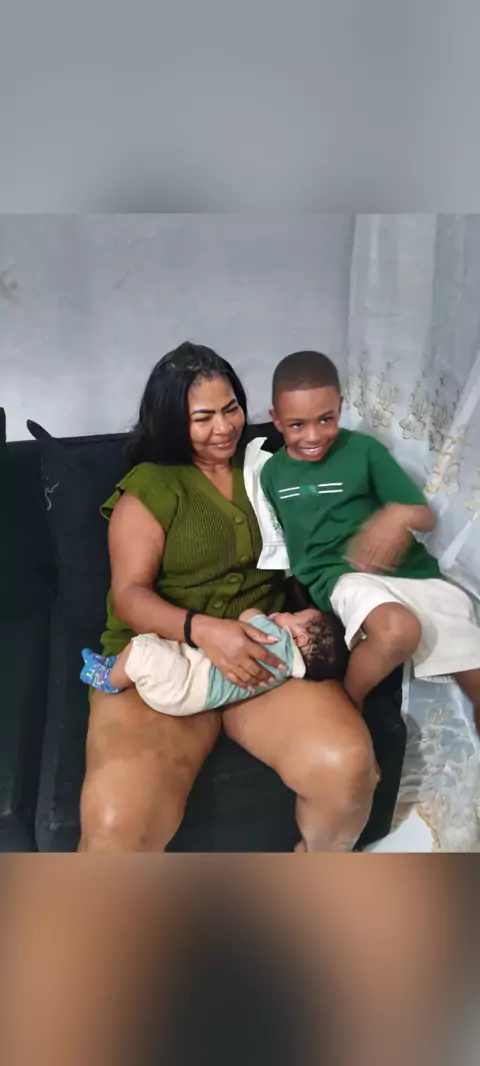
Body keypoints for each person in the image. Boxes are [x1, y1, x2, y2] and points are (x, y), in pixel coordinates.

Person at [79, 342, 378, 853]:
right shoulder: (150, 489)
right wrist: (204, 632)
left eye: (231, 408)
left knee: (347, 769)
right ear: (172, 422)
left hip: (265, 652)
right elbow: (129, 596)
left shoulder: (269, 469)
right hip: (166, 658)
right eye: (203, 418)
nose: (224, 427)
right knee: (116, 825)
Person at [260, 350, 480, 722]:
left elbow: (424, 517)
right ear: (276, 420)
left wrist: (397, 515)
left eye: (326, 419)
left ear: (340, 407)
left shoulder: (363, 451)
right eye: (297, 425)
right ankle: (350, 700)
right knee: (397, 631)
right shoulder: (272, 474)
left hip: (415, 575)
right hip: (342, 576)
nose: (313, 436)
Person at [79, 604, 348, 713]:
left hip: (184, 684)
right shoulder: (286, 671)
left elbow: (248, 614)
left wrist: (271, 618)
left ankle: (107, 679)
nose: (288, 613)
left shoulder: (276, 641)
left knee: (143, 651)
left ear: (300, 638)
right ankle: (118, 665)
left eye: (295, 614)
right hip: (191, 688)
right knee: (153, 647)